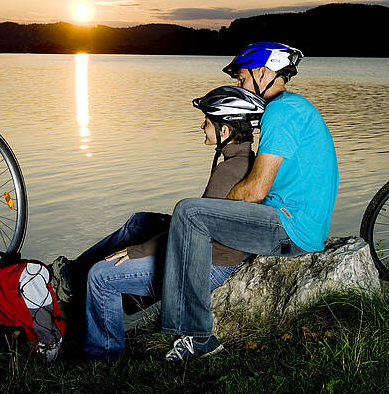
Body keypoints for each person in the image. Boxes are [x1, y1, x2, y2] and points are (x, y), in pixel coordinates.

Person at [50, 85, 266, 360]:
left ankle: (102, 357)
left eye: (207, 122)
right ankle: (71, 276)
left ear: (224, 131)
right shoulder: (246, 163)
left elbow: (190, 237)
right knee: (140, 222)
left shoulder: (227, 173)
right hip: (217, 251)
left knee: (101, 277)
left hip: (211, 264)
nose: (202, 127)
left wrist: (137, 251)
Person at [160, 42, 339, 361]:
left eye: (242, 78)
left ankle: (199, 338)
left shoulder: (281, 112)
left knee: (189, 212)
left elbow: (256, 189)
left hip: (291, 229)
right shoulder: (294, 107)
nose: (240, 86)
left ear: (262, 72)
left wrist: (218, 209)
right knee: (193, 217)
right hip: (297, 222)